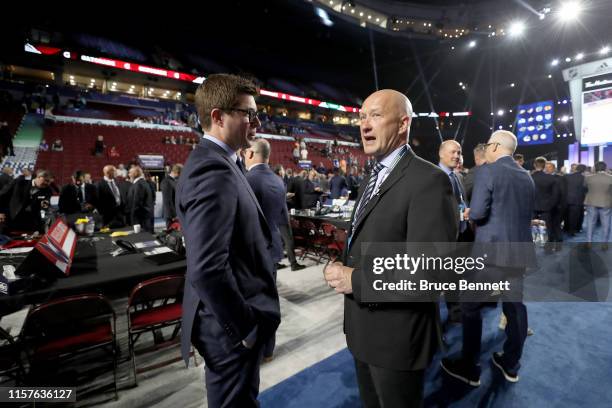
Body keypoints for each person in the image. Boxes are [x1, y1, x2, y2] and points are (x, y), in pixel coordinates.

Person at [323, 89, 457, 408]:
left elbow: (429, 275)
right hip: (362, 330)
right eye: (361, 117)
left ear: (402, 124)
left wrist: (353, 280)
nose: (365, 125)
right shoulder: (374, 174)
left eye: (377, 115)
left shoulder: (429, 181)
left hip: (397, 339)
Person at [176, 74, 280, 407]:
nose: (257, 121)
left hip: (226, 323)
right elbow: (208, 268)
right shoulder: (213, 170)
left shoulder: (223, 162)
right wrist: (245, 330)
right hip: (229, 329)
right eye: (248, 113)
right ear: (218, 117)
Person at [441, 130, 535, 386]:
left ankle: (469, 368)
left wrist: (471, 213)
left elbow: (479, 212)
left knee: (470, 307)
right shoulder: (526, 176)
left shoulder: (487, 171)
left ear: (493, 146)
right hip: (519, 253)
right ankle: (511, 364)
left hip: (490, 253)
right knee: (515, 308)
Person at [243, 138, 288, 362]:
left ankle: (256, 350)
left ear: (250, 154)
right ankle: (268, 350)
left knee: (253, 302)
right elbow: (282, 218)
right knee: (270, 299)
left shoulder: (245, 180)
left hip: (251, 251)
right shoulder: (278, 181)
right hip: (272, 248)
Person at [0, 169, 52, 233]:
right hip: (11, 218)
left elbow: (44, 207)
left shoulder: (47, 190)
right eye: (46, 180)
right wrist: (1, 212)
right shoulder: (19, 182)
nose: (47, 183)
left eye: (49, 182)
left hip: (30, 223)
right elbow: (2, 196)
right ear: (38, 177)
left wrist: (44, 217)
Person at [532, 157, 561, 252]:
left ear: (534, 165)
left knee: (531, 229)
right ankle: (548, 248)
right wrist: (549, 206)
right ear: (544, 166)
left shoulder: (528, 177)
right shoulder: (551, 178)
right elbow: (556, 195)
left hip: (532, 208)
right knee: (548, 228)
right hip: (547, 208)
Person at [584, 161, 612, 249]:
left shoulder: (588, 178)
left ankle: (589, 242)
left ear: (595, 168)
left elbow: (585, 188)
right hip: (606, 202)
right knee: (606, 223)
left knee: (590, 223)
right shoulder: (610, 178)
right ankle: (604, 243)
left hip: (591, 202)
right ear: (605, 168)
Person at [126, 165, 154, 233]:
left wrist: (133, 220)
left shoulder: (139, 185)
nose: (128, 175)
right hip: (144, 218)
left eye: (130, 173)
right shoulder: (142, 183)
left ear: (135, 174)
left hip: (141, 219)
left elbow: (137, 203)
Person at [564, 164, 587, 235]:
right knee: (575, 216)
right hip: (578, 200)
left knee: (567, 214)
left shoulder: (566, 176)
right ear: (584, 170)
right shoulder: (584, 178)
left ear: (576, 169)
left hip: (566, 199)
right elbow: (586, 189)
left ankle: (566, 228)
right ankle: (573, 230)